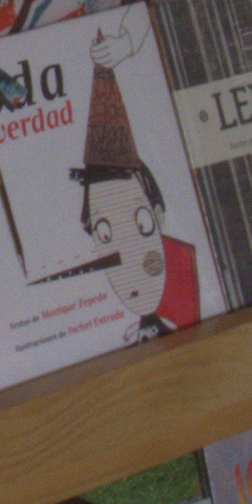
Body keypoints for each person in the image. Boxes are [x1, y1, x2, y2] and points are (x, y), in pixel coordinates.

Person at [66, 62, 196, 339]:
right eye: (104, 234)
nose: (127, 253)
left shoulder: (197, 292)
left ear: (158, 215)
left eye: (142, 224)